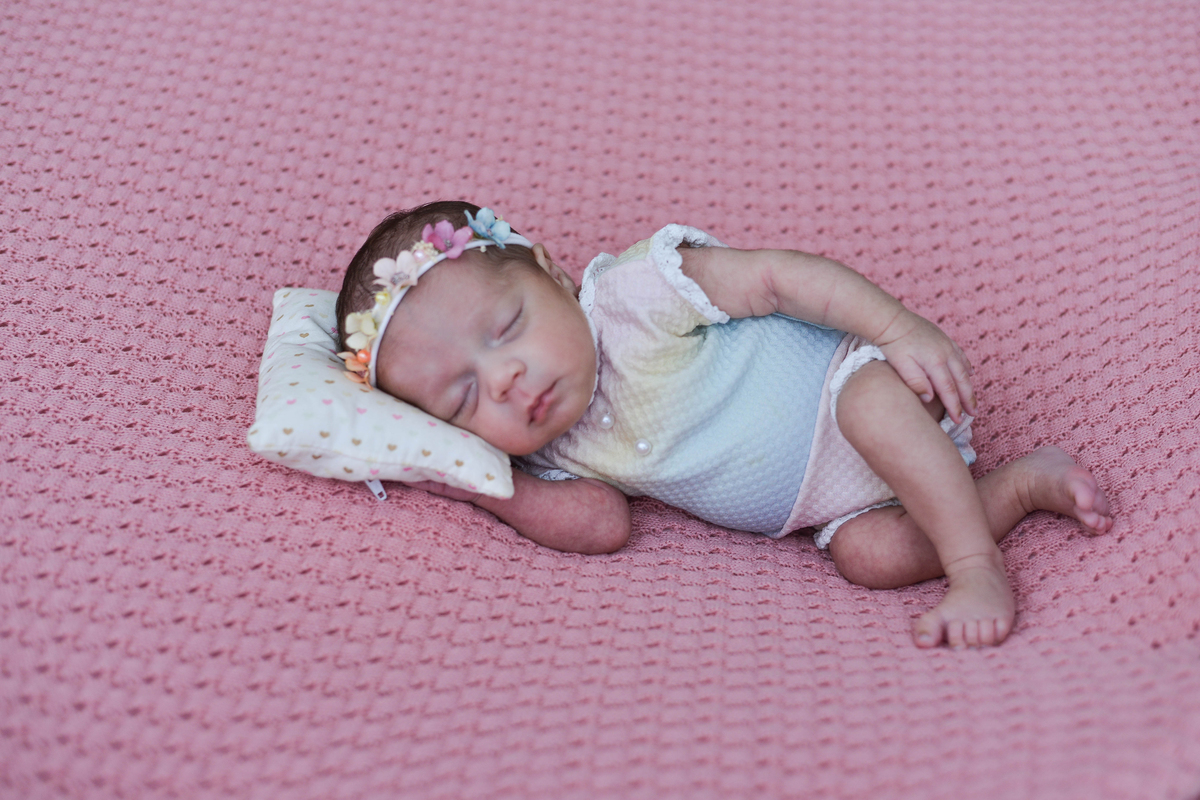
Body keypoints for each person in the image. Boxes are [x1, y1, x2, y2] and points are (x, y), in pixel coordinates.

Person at [335, 200, 1113, 649]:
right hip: (838, 508)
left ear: (551, 272)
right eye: (463, 399)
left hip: (862, 385)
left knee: (870, 409)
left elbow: (777, 277)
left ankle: (976, 566)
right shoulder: (552, 452)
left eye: (505, 328)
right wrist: (475, 480)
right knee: (873, 558)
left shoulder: (636, 295)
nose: (502, 379)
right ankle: (1017, 488)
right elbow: (602, 526)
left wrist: (898, 328)